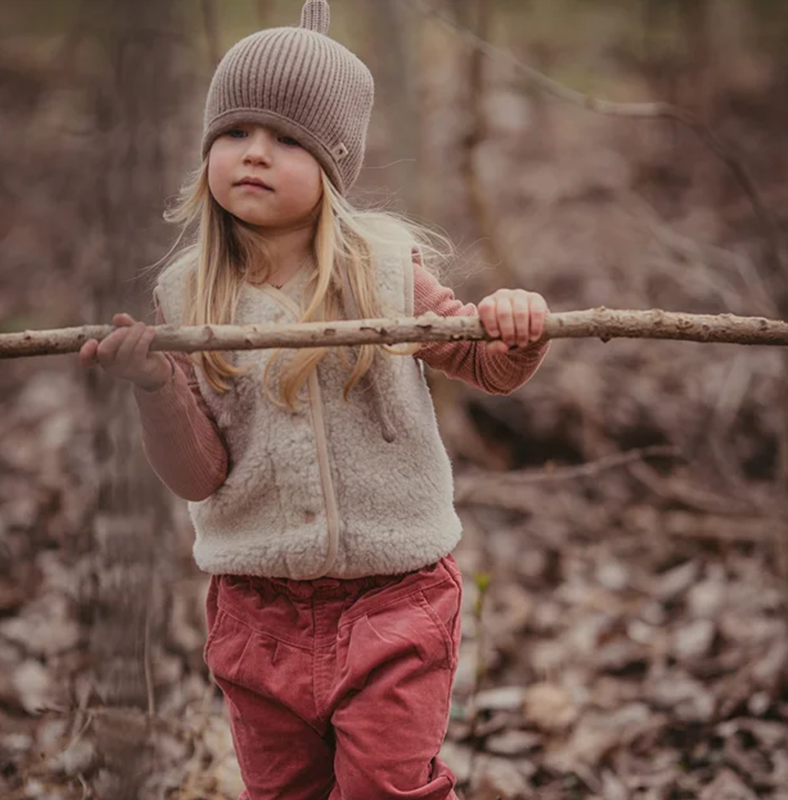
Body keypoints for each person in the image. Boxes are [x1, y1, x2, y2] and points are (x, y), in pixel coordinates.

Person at [79, 2, 550, 798]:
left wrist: (515, 328)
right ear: (205, 154)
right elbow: (199, 475)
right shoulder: (186, 293)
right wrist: (155, 385)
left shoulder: (384, 269)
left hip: (396, 597)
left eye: (287, 138)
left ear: (332, 164)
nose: (254, 153)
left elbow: (486, 361)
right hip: (256, 612)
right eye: (234, 134)